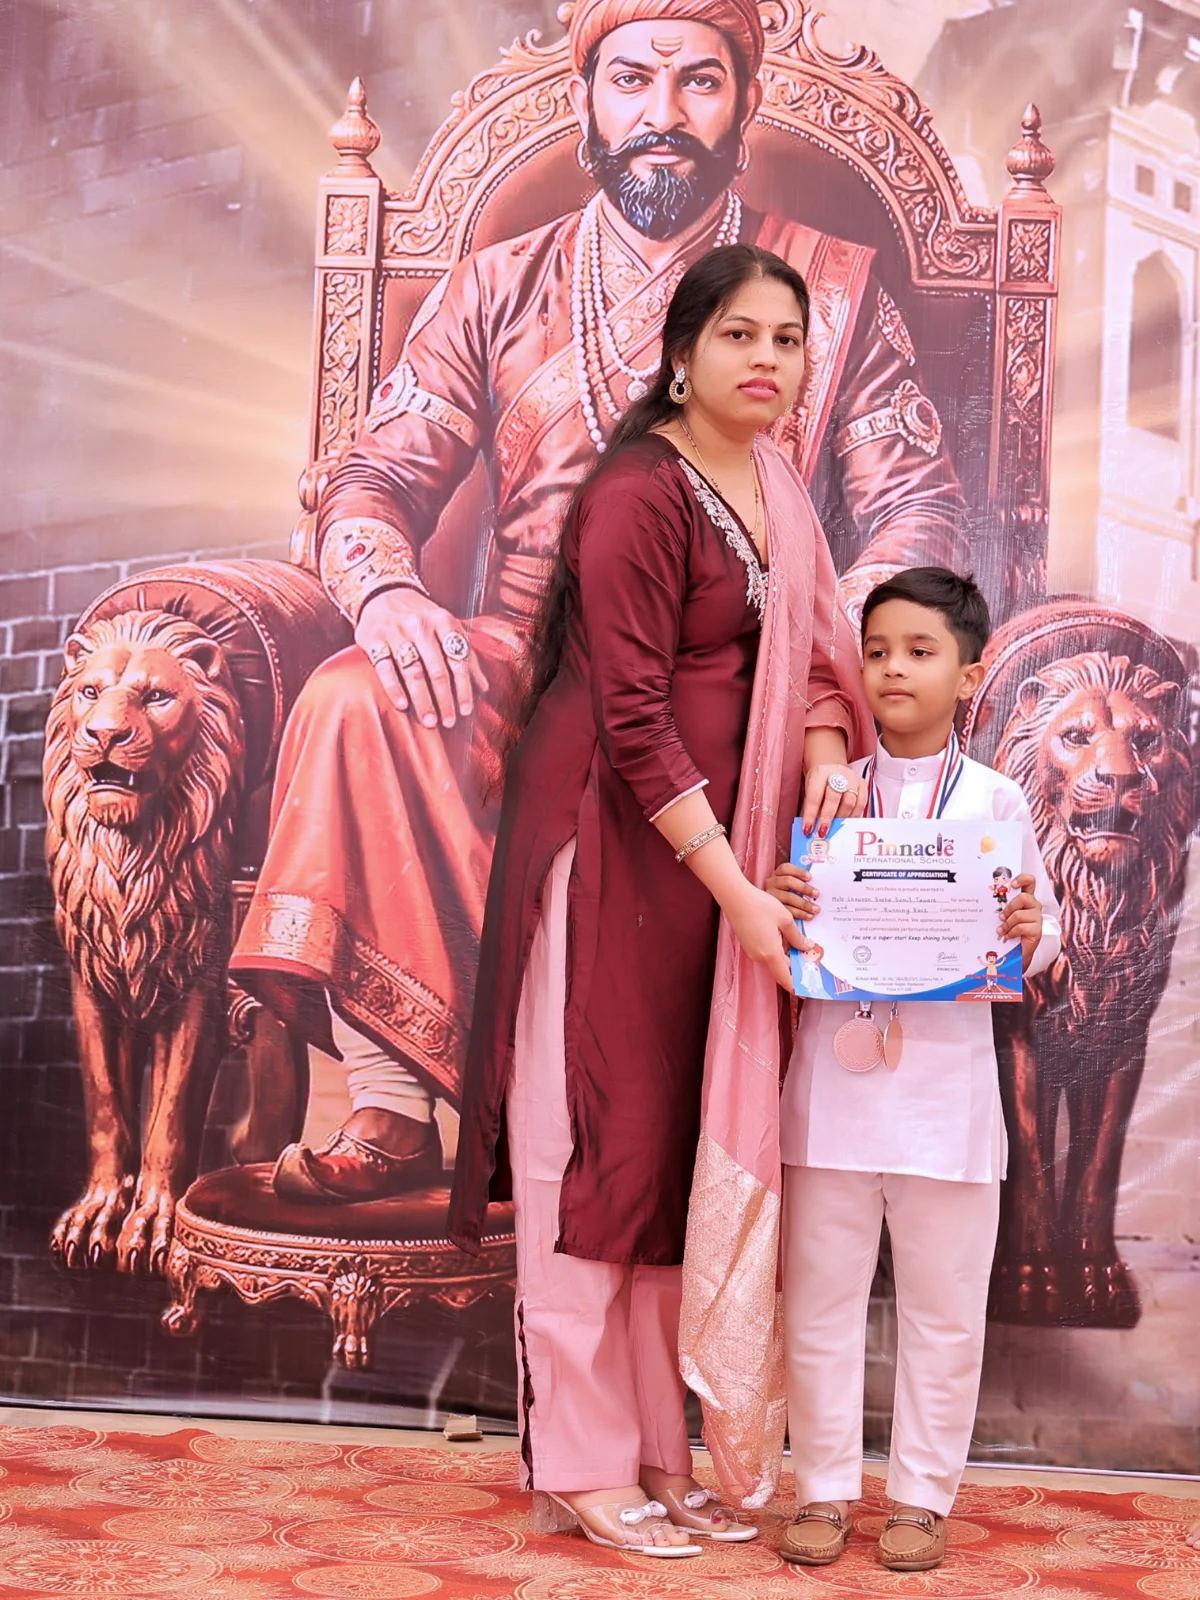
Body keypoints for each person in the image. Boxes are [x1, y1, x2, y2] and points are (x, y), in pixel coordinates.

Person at [228, 0, 964, 1203]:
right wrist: (390, 596)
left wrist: (824, 676)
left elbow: (915, 513)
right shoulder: (496, 284)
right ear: (587, 102)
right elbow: (373, 478)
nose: (662, 113)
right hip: (526, 662)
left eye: (698, 82)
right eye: (631, 81)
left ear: (745, 103)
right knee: (357, 697)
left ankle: (656, 1138)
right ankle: (398, 1103)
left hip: (742, 675)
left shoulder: (831, 292)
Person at [447, 244, 872, 1555]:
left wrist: (821, 751)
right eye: (739, 334)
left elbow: (811, 657)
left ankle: (653, 1448)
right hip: (610, 841)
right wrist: (741, 890)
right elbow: (631, 718)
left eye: (787, 339)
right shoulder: (640, 492)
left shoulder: (777, 486)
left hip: (704, 867)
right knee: (586, 1149)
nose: (767, 359)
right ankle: (581, 1457)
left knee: (660, 1157)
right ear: (683, 353)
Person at [763, 567, 1061, 1571]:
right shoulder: (826, 790)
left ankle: (924, 1498)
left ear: (969, 674)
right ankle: (822, 1489)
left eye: (920, 651)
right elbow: (781, 929)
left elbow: (1043, 934)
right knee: (819, 1306)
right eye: (878, 650)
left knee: (944, 1316)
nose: (894, 668)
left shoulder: (995, 799)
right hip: (830, 1100)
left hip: (947, 1105)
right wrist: (787, 899)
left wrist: (1031, 929)